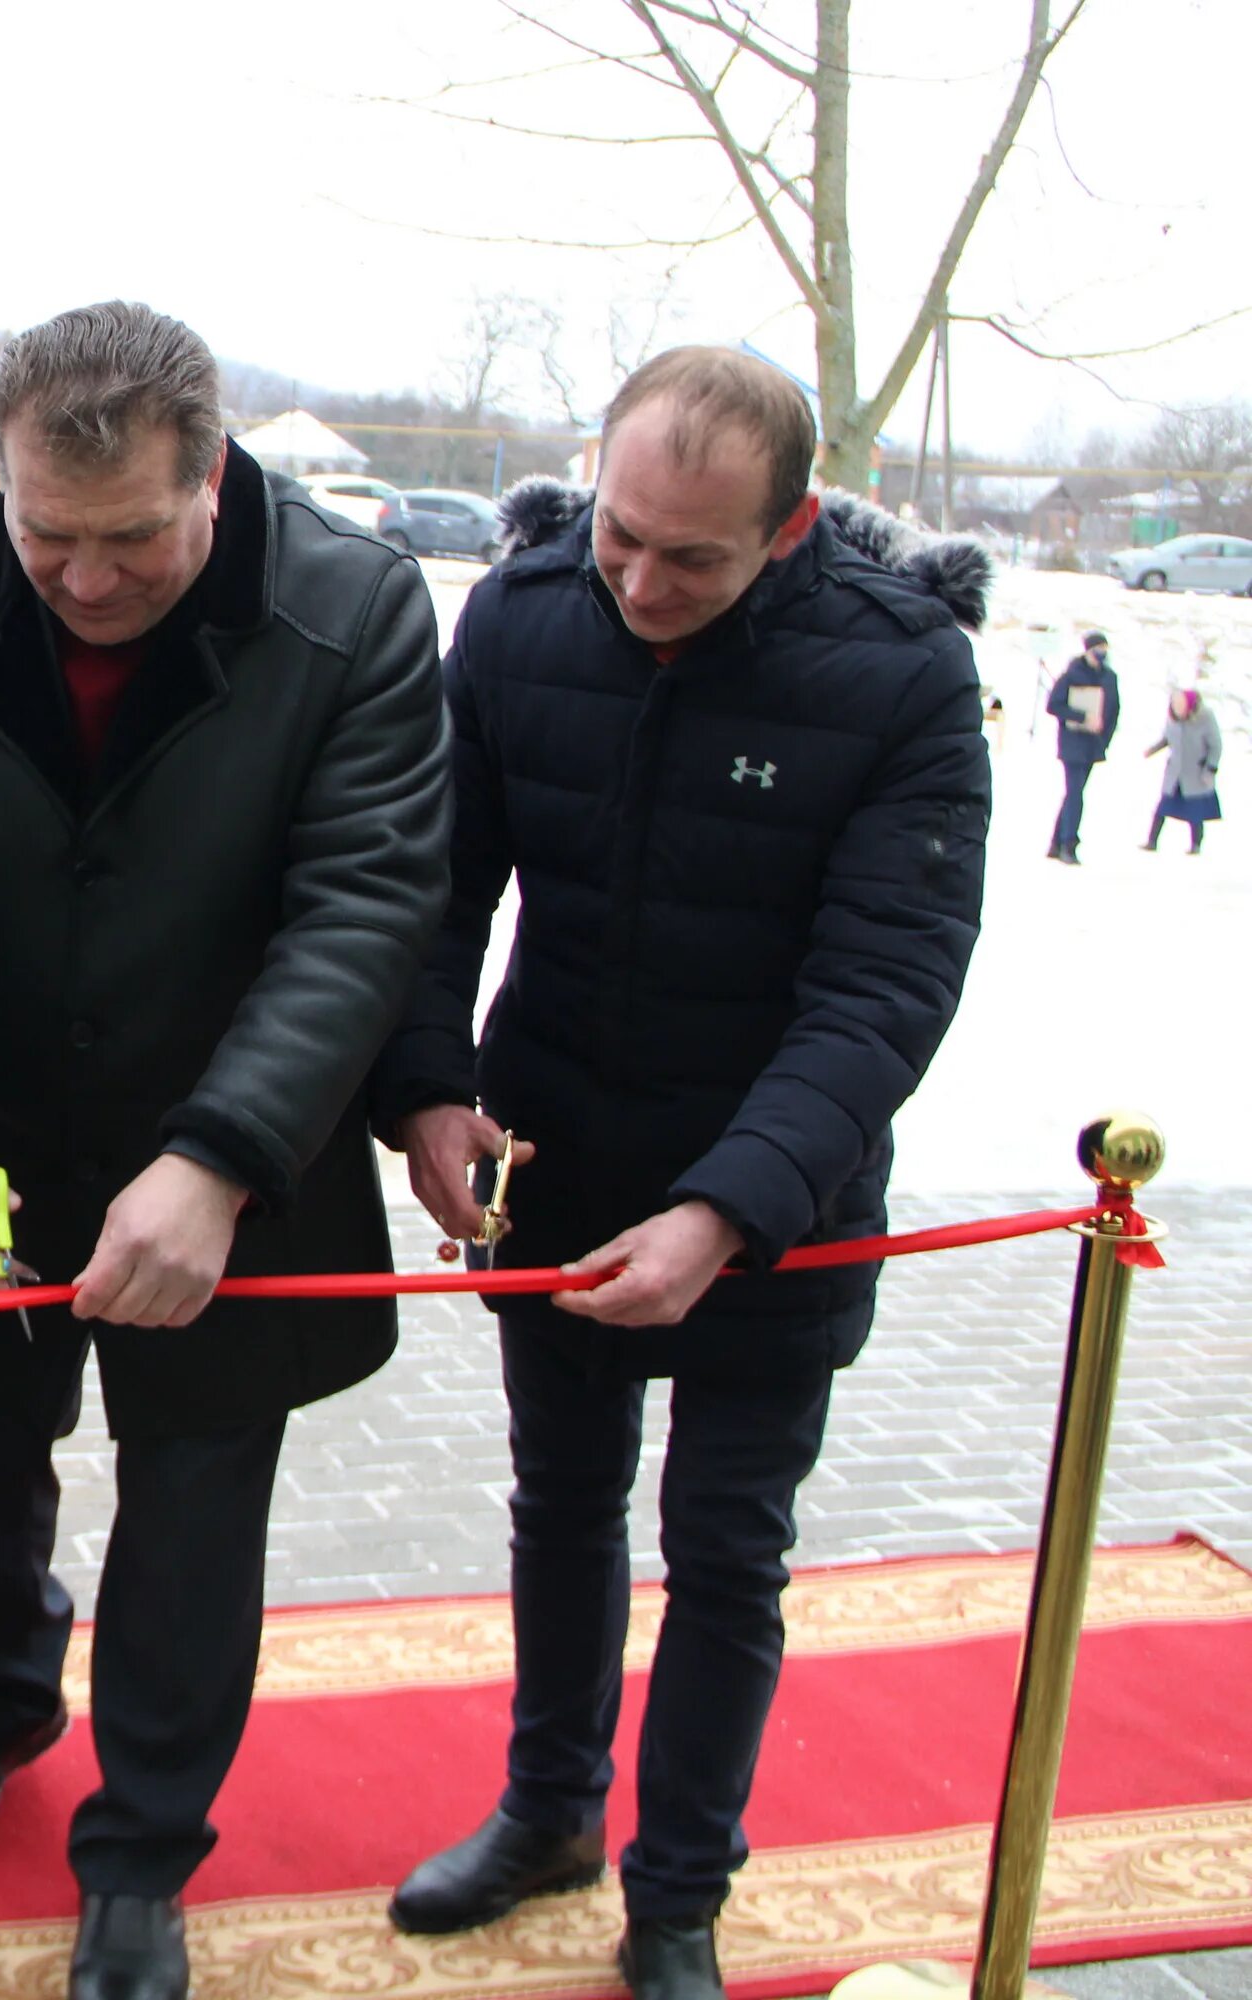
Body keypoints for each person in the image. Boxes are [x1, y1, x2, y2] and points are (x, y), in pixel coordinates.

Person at [0, 300, 451, 2000]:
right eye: (47, 537)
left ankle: (144, 1852)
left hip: (246, 1149)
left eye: (132, 542)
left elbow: (365, 906)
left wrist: (226, 1154)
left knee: (191, 1513)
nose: (85, 583)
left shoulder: (356, 609)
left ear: (217, 474)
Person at [367, 348, 991, 2000]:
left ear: (789, 533)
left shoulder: (902, 674)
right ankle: (549, 1812)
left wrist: (729, 1209)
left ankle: (682, 1892)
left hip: (782, 1203)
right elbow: (434, 891)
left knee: (726, 1548)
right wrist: (432, 1091)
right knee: (560, 1506)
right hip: (556, 1160)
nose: (639, 582)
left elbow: (886, 990)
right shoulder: (518, 615)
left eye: (691, 559)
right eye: (620, 537)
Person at [1045, 629, 1121, 862]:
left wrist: (1104, 738)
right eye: (1098, 650)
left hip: (1093, 744)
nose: (1102, 654)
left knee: (1073, 794)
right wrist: (1081, 717)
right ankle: (1069, 844)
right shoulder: (1071, 675)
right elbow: (1054, 705)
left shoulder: (1109, 677)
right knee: (1076, 794)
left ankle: (1056, 843)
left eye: (1105, 650)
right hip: (1073, 742)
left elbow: (1114, 710)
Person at [1143, 684, 1222, 853]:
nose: (1177, 710)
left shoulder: (1205, 717)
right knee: (1162, 807)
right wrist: (1153, 749)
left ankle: (1196, 845)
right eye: (1174, 705)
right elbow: (1167, 738)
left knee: (1195, 810)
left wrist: (1210, 768)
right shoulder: (1172, 717)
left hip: (1195, 772)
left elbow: (1216, 745)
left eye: (1180, 706)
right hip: (1175, 771)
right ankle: (1151, 841)